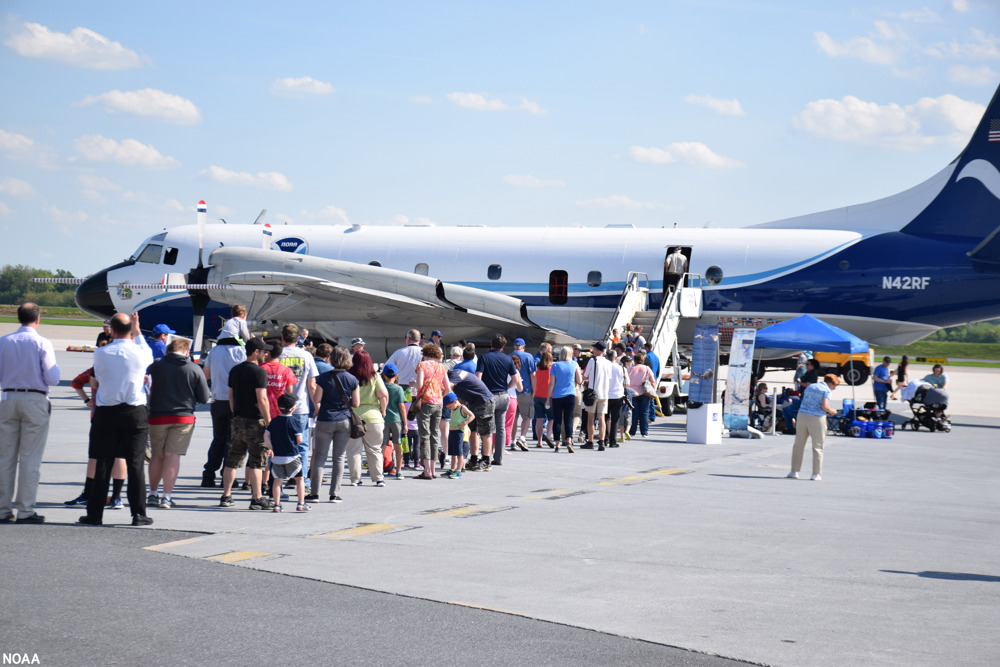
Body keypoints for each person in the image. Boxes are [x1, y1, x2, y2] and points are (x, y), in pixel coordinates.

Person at [78, 312, 154, 527]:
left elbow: (98, 379)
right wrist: (137, 328)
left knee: (103, 462)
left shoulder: (101, 353)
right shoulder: (141, 352)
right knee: (135, 464)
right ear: (130, 329)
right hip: (134, 411)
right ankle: (138, 513)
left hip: (107, 411)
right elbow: (146, 351)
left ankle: (94, 514)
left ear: (111, 329)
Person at [0, 303, 60, 524]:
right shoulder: (42, 342)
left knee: (5, 457)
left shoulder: (4, 341)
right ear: (38, 318)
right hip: (34, 398)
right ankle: (25, 509)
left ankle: (2, 508)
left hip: (8, 397)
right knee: (30, 458)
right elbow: (53, 377)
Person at [64, 338, 128, 509]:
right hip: (123, 414)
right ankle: (116, 497)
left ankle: (89, 493)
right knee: (119, 456)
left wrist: (87, 400)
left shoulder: (95, 369)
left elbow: (76, 382)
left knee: (95, 457)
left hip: (100, 415)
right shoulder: (123, 368)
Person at [146, 338, 210, 508]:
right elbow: (204, 397)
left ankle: (152, 493)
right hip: (183, 417)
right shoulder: (194, 369)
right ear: (187, 351)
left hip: (157, 416)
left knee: (157, 455)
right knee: (172, 456)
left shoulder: (156, 366)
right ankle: (167, 496)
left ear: (168, 350)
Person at [218, 338, 273, 511]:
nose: (266, 354)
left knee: (232, 459)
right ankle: (257, 498)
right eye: (263, 351)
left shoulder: (235, 370)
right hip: (255, 420)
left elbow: (231, 395)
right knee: (257, 460)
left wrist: (235, 414)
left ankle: (226, 495)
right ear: (256, 352)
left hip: (238, 420)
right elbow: (262, 398)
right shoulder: (259, 372)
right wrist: (269, 421)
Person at [309, 346, 359, 503]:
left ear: (332, 358)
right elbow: (356, 403)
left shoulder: (323, 378)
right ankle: (334, 494)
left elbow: (317, 399)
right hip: (344, 420)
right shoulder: (352, 379)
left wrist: (318, 409)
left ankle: (315, 493)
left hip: (325, 419)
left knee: (320, 457)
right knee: (339, 457)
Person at [278, 324, 319, 492]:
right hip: (300, 406)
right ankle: (301, 482)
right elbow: (312, 384)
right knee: (302, 446)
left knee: (277, 444)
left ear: (282, 338)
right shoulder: (306, 356)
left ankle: (276, 485)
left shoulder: (277, 355)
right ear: (297, 339)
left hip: (278, 407)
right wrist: (316, 404)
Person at [200, 336, 246, 487]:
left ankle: (208, 474)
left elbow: (205, 375)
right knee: (232, 440)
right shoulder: (242, 351)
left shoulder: (214, 351)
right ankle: (227, 476)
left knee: (218, 439)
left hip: (218, 399)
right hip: (236, 400)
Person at [476, 334, 520, 466]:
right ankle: (498, 457)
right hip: (504, 395)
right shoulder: (508, 360)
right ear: (503, 346)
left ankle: (485, 455)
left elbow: (478, 377)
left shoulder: (484, 358)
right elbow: (516, 379)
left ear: (491, 343)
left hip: (489, 395)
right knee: (501, 427)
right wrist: (507, 388)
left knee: (486, 427)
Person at [787, 374, 840, 481]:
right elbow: (824, 406)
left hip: (802, 415)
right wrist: (832, 411)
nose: (834, 388)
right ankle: (816, 474)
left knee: (798, 444)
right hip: (816, 418)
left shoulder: (810, 386)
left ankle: (794, 471)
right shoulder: (826, 390)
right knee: (817, 446)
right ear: (831, 383)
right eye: (835, 386)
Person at [347, 350, 388, 487]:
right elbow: (383, 395)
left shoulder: (350, 375)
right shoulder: (374, 376)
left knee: (354, 450)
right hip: (374, 417)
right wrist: (383, 411)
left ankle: (355, 479)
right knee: (375, 449)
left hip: (354, 417)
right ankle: (378, 478)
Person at [265, 394, 309, 512]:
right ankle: (300, 504)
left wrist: (271, 447)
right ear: (293, 408)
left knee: (277, 481)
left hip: (277, 457)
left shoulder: (274, 421)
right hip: (292, 456)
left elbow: (266, 435)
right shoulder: (294, 421)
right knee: (299, 480)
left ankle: (277, 505)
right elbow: (299, 439)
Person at [447, 367, 496, 470]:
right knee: (472, 431)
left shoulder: (454, 375)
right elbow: (460, 395)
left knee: (485, 432)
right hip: (473, 403)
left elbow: (447, 388)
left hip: (484, 401)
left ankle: (486, 460)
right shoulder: (455, 374)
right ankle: (474, 459)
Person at [414, 343, 451, 478]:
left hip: (425, 402)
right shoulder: (442, 367)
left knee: (425, 435)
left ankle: (427, 470)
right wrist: (439, 396)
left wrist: (413, 384)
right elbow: (447, 389)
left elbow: (419, 385)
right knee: (435, 435)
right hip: (438, 403)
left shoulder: (422, 365)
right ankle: (433, 470)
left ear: (425, 353)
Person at [546, 346, 581, 452]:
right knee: (568, 419)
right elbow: (579, 380)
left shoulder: (555, 365)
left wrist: (548, 398)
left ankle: (557, 444)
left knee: (557, 420)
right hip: (570, 394)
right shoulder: (574, 364)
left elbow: (551, 384)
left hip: (557, 395)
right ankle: (569, 440)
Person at [582, 341, 612, 450]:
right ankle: (602, 441)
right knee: (601, 417)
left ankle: (590, 441)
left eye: (595, 349)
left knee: (591, 418)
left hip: (592, 393)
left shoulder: (592, 360)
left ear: (598, 350)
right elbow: (609, 377)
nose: (593, 350)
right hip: (604, 393)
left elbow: (585, 376)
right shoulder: (609, 363)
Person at [381, 364, 407, 479]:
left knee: (382, 445)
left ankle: (380, 469)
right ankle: (399, 470)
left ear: (383, 375)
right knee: (398, 445)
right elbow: (401, 407)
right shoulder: (398, 389)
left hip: (383, 419)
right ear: (396, 375)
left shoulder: (381, 388)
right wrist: (405, 423)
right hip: (396, 420)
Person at [510, 338, 536, 449]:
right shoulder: (529, 357)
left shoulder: (509, 356)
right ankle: (522, 438)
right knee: (527, 416)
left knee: (514, 418)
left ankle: (513, 441)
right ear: (523, 346)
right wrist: (534, 390)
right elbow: (533, 375)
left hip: (512, 391)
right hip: (525, 390)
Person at [443, 392, 472, 478]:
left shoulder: (462, 408)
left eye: (450, 407)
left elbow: (472, 415)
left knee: (459, 453)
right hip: (451, 432)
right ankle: (452, 469)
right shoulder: (454, 409)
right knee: (453, 453)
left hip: (459, 432)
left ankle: (459, 470)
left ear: (455, 402)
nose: (450, 409)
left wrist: (464, 423)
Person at [627, 351, 656, 437]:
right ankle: (644, 432)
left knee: (634, 413)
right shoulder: (647, 368)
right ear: (643, 360)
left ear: (634, 361)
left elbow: (626, 382)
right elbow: (653, 381)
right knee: (644, 413)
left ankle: (632, 432)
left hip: (633, 393)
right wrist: (653, 393)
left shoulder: (630, 370)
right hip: (645, 393)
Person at [533, 350, 555, 448]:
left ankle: (539, 441)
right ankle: (548, 436)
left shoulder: (537, 368)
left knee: (539, 420)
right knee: (551, 419)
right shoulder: (551, 369)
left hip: (537, 396)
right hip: (548, 396)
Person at [606, 349, 625, 448]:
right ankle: (612, 441)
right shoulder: (621, 368)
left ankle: (604, 438)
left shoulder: (605, 367)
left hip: (606, 395)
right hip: (618, 395)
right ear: (616, 357)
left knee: (605, 417)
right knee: (615, 419)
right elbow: (627, 382)